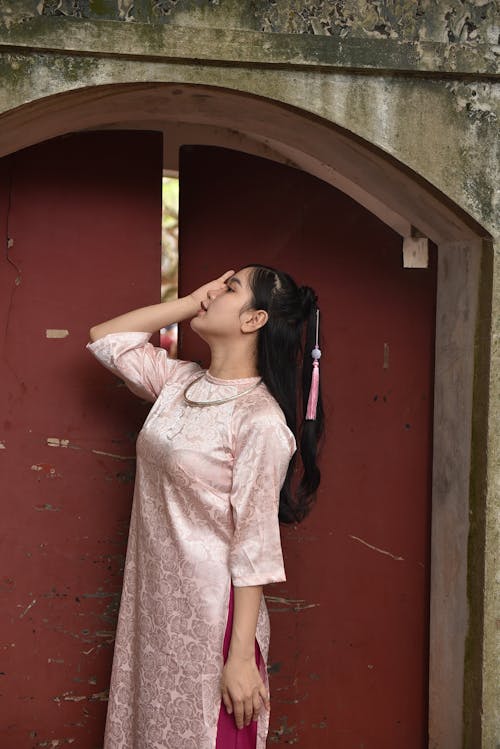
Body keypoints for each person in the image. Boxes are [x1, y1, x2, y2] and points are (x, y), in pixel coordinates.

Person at [86, 264, 324, 749]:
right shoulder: (178, 384)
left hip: (213, 618)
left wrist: (238, 658)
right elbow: (105, 338)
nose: (215, 291)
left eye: (229, 288)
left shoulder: (260, 421)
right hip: (154, 607)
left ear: (254, 320)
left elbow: (255, 544)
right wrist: (191, 302)